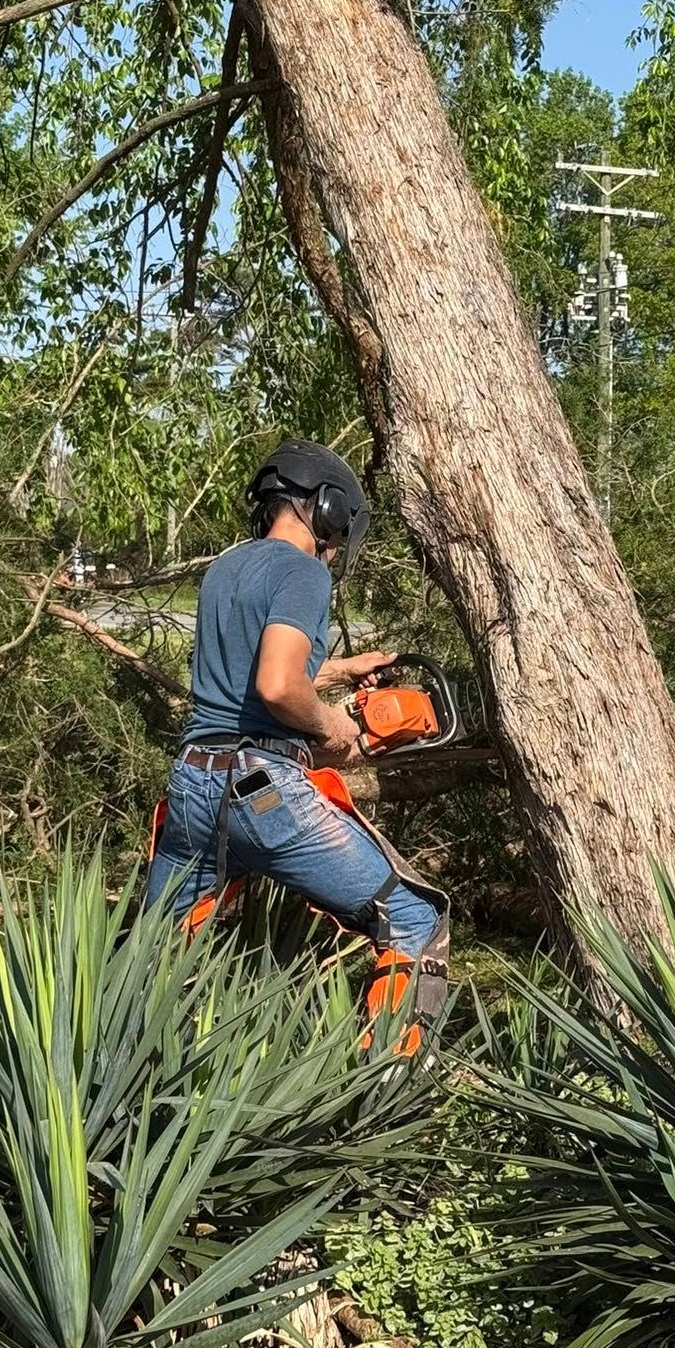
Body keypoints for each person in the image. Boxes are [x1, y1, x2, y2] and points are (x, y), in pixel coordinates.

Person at [145, 437, 448, 1046]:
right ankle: (385, 1091)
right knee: (416, 917)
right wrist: (335, 726)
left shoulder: (225, 568)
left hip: (192, 786)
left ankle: (123, 1091)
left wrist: (337, 670)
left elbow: (245, 682)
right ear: (329, 507)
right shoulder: (304, 571)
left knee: (156, 958)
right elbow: (280, 688)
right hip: (260, 791)